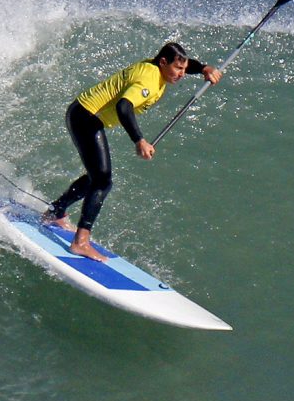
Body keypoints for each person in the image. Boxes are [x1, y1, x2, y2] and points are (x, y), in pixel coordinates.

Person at [43, 40, 221, 259]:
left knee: (95, 176)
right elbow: (124, 107)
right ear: (163, 63)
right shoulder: (149, 79)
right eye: (178, 68)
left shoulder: (156, 67)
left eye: (184, 69)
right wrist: (139, 140)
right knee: (102, 181)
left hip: (82, 113)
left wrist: (204, 68)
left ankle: (55, 212)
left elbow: (186, 64)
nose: (182, 74)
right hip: (86, 118)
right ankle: (80, 242)